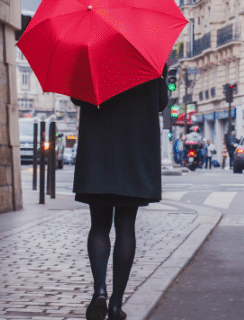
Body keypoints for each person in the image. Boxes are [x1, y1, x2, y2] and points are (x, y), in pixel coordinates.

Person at [72, 68, 168, 320]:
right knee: (126, 226)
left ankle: (100, 290)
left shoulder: (91, 50)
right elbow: (161, 103)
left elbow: (76, 98)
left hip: (99, 148)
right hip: (133, 150)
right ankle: (116, 304)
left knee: (99, 226)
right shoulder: (150, 54)